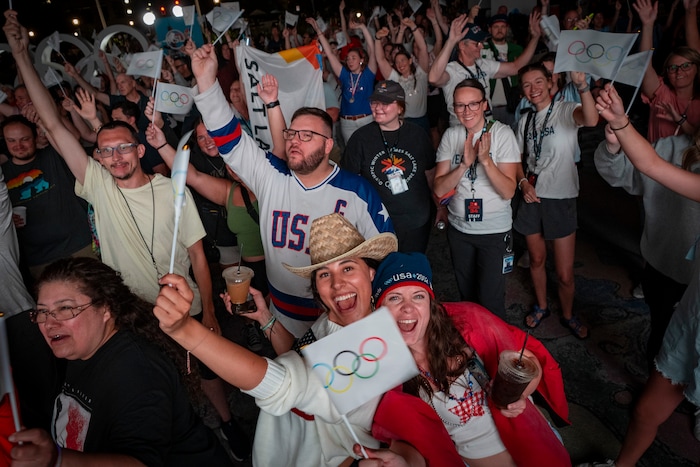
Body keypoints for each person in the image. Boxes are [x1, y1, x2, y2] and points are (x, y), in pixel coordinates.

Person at [2, 14, 252, 460]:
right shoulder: (97, 186)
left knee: (208, 370)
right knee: (162, 382)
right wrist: (22, 55)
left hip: (184, 302)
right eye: (105, 150)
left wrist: (209, 310)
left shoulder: (168, 186)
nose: (115, 156)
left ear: (139, 150)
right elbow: (57, 129)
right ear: (98, 157)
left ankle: (230, 426)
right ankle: (187, 431)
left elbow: (197, 254)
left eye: (123, 147)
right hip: (134, 313)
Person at [153, 213, 431, 466]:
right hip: (285, 447)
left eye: (348, 268)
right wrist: (265, 318)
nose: (337, 284)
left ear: (370, 272)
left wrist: (186, 331)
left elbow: (285, 383)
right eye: (325, 274)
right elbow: (303, 355)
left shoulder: (378, 341)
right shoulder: (334, 318)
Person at [190, 43, 393, 337]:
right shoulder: (271, 176)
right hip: (282, 314)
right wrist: (207, 81)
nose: (295, 140)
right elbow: (228, 137)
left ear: (327, 145)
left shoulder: (357, 192)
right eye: (292, 133)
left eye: (307, 135)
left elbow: (384, 257)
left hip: (342, 319)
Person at [7, 257, 231, 466]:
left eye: (65, 308)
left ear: (105, 309)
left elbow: (140, 462)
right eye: (42, 312)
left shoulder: (137, 371)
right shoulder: (80, 349)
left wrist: (57, 459)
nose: (49, 323)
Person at [578, 82, 700, 467]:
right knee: (648, 411)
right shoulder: (680, 153)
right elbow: (650, 165)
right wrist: (619, 120)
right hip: (694, 309)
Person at [370, 251, 571, 467]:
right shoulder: (384, 372)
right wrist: (402, 462)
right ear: (378, 308)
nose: (408, 307)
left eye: (418, 296)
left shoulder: (467, 328)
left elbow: (530, 365)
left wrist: (519, 394)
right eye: (394, 297)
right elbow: (411, 444)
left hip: (536, 445)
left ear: (430, 303)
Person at [594, 116, 700, 366]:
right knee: (661, 334)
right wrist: (614, 146)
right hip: (663, 264)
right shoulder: (669, 148)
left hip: (696, 279)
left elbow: (650, 164)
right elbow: (629, 170)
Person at [514, 63, 599, 339]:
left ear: (550, 82)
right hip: (532, 196)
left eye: (538, 82)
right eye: (527, 85)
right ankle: (541, 306)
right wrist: (522, 182)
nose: (533, 89)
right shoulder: (525, 119)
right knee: (536, 259)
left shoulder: (564, 109)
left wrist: (583, 86)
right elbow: (517, 160)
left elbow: (591, 118)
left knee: (564, 273)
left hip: (560, 198)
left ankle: (568, 314)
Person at [433, 79, 519, 319]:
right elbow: (440, 189)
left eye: (472, 104)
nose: (466, 111)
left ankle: (494, 352)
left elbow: (508, 192)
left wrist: (486, 161)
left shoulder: (502, 134)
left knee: (491, 299)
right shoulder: (451, 135)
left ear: (484, 105)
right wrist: (463, 165)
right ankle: (473, 349)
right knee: (467, 297)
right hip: (460, 230)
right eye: (460, 105)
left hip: (494, 232)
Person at [343, 80, 436, 253]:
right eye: (375, 102)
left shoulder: (418, 135)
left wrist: (440, 206)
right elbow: (350, 184)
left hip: (416, 220)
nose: (378, 107)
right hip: (377, 222)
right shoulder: (360, 139)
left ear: (400, 108)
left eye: (385, 102)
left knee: (412, 267)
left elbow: (430, 174)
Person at [1, 115, 94, 278]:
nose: (19, 146)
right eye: (12, 141)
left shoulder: (54, 155)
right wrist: (7, 219)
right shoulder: (3, 174)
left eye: (24, 139)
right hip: (39, 258)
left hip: (81, 244)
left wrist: (41, 118)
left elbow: (74, 136)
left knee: (101, 295)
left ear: (36, 136)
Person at [428, 12, 542, 127]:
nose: (481, 46)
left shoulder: (483, 64)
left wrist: (535, 37)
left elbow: (515, 67)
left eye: (481, 42)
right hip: (462, 130)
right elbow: (433, 79)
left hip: (486, 126)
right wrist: (451, 41)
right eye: (476, 43)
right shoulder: (452, 70)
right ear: (462, 46)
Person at [635, 0, 700, 142]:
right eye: (673, 68)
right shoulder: (661, 95)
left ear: (696, 69)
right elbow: (645, 67)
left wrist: (690, 11)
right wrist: (647, 25)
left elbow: (696, 54)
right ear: (667, 73)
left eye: (686, 66)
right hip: (657, 163)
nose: (679, 72)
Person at [307, 16, 377, 143]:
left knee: (368, 153)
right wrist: (318, 31)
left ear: (361, 60)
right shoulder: (345, 75)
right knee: (351, 156)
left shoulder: (368, 74)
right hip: (347, 123)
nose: (350, 61)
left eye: (353, 58)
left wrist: (362, 27)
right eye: (348, 58)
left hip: (366, 120)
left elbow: (372, 50)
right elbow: (329, 52)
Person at [374, 19, 431, 131]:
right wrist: (377, 39)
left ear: (410, 61)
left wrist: (413, 27)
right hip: (402, 122)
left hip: (421, 121)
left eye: (403, 60)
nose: (400, 64)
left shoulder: (421, 74)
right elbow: (380, 59)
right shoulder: (395, 78)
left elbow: (423, 49)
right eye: (397, 62)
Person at [482, 14, 523, 126]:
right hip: (489, 105)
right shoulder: (482, 49)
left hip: (511, 104)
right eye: (496, 27)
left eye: (503, 26)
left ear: (507, 29)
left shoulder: (517, 49)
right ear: (489, 29)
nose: (499, 30)